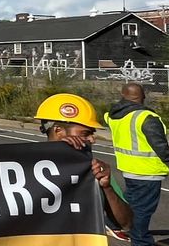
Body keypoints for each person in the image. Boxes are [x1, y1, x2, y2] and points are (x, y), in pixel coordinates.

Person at [104, 83, 169, 246]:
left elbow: (107, 118)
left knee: (129, 201)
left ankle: (114, 224)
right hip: (147, 171)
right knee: (143, 209)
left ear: (123, 96)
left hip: (128, 167)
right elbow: (161, 147)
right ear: (142, 97)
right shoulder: (146, 117)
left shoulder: (113, 115)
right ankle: (141, 244)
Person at [35, 93, 133, 236]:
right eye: (85, 133)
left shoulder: (94, 169)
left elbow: (127, 223)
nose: (92, 139)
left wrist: (107, 187)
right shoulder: (23, 166)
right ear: (58, 131)